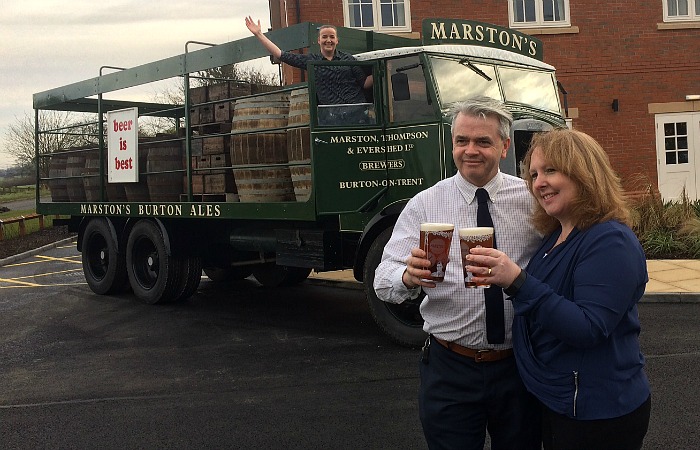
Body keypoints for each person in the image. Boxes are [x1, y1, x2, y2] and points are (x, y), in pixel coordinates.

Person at [467, 128, 652, 450]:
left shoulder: (609, 240)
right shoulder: (557, 235)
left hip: (597, 411)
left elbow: (587, 327)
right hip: (557, 400)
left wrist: (517, 280)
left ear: (583, 172)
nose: (539, 183)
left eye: (551, 170)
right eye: (534, 174)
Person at [374, 96, 542, 450]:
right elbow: (382, 279)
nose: (471, 151)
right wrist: (407, 275)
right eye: (462, 141)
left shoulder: (531, 200)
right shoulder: (426, 203)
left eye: (483, 141)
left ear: (504, 145)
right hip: (451, 367)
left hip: (519, 366)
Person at [245, 17, 372, 124]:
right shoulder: (312, 60)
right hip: (332, 119)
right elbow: (281, 55)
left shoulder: (348, 59)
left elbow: (365, 83)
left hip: (358, 115)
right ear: (319, 40)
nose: (328, 40)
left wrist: (383, 70)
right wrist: (259, 34)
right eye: (324, 37)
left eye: (332, 37)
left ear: (337, 40)